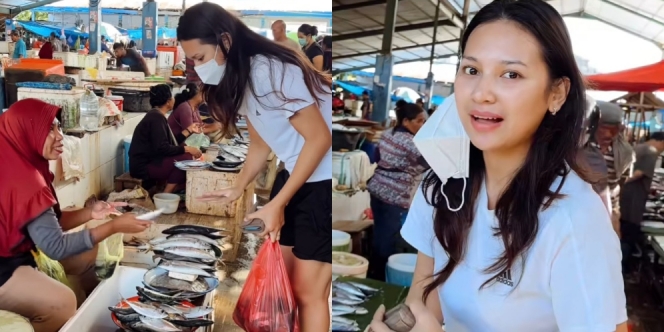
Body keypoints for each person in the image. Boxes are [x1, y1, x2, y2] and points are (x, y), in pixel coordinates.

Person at [369, 1, 627, 331]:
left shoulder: (574, 220)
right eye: (472, 70)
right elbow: (423, 306)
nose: (481, 93)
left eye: (511, 74)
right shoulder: (443, 189)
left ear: (557, 94)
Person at [177, 3, 332, 331]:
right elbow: (261, 144)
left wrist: (276, 204)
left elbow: (319, 139)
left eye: (201, 58)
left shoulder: (268, 70)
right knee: (289, 283)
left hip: (321, 183)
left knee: (309, 292)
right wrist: (238, 185)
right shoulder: (243, 75)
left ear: (226, 42)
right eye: (193, 61)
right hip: (296, 175)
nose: (198, 68)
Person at [0, 98, 152, 332]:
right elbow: (56, 247)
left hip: (16, 254)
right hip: (5, 266)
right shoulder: (25, 180)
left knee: (89, 250)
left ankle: (87, 315)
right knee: (62, 303)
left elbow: (50, 222)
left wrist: (90, 212)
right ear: (25, 132)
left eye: (58, 126)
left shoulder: (20, 161)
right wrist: (114, 227)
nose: (60, 135)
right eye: (49, 129)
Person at [366, 103, 428, 281]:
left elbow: (377, 157)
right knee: (389, 238)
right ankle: (380, 277)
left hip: (377, 188)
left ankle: (374, 270)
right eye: (419, 121)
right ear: (406, 121)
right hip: (394, 195)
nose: (422, 126)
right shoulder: (411, 142)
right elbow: (429, 163)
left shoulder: (387, 134)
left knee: (380, 232)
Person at [129, 84, 203, 193]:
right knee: (186, 159)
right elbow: (163, 148)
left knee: (186, 156)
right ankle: (165, 194)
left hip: (151, 161)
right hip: (143, 167)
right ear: (168, 101)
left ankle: (166, 190)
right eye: (172, 97)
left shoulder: (157, 115)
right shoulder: (156, 118)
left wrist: (189, 130)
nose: (174, 99)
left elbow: (169, 143)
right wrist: (187, 149)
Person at [583, 99, 634, 235]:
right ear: (593, 126)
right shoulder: (581, 148)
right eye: (603, 129)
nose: (608, 135)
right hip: (582, 209)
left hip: (610, 209)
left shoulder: (624, 152)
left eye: (613, 130)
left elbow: (621, 182)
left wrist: (614, 213)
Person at [620, 132, 664, 275]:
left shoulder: (638, 147)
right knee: (629, 234)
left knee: (622, 232)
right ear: (661, 142)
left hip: (624, 199)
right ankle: (621, 269)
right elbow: (638, 173)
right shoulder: (651, 152)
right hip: (633, 202)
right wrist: (622, 182)